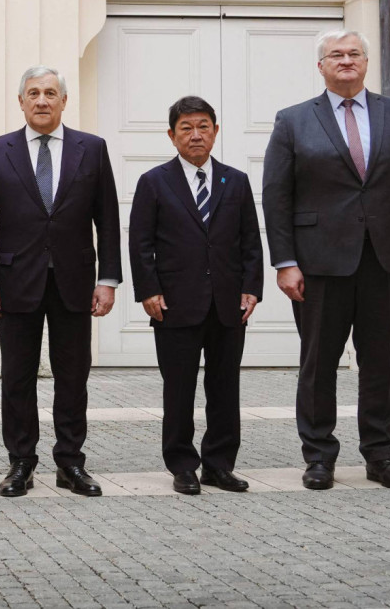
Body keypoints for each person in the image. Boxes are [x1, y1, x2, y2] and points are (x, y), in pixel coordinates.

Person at [262, 30, 390, 491]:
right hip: (318, 263)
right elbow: (277, 197)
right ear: (320, 66)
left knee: (380, 361)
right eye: (335, 55)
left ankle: (381, 455)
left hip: (388, 259)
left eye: (354, 54)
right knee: (318, 362)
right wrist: (284, 261)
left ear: (366, 63)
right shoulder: (293, 120)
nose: (346, 61)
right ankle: (319, 456)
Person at [0, 66, 121, 497]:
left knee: (73, 375)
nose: (42, 101)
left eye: (51, 93)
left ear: (64, 101)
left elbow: (108, 219)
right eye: (34, 93)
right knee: (17, 376)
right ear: (20, 101)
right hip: (14, 281)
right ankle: (20, 461)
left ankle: (70, 462)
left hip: (75, 281)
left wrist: (108, 279)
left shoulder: (91, 149)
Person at [128, 96, 263, 495]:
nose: (196, 135)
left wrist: (251, 288)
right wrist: (148, 290)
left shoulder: (235, 180)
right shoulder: (154, 182)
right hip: (174, 304)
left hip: (227, 305)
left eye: (203, 126)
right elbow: (140, 243)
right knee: (179, 388)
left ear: (216, 131)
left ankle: (219, 464)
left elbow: (250, 242)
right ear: (172, 136)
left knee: (225, 387)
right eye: (186, 128)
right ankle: (183, 464)